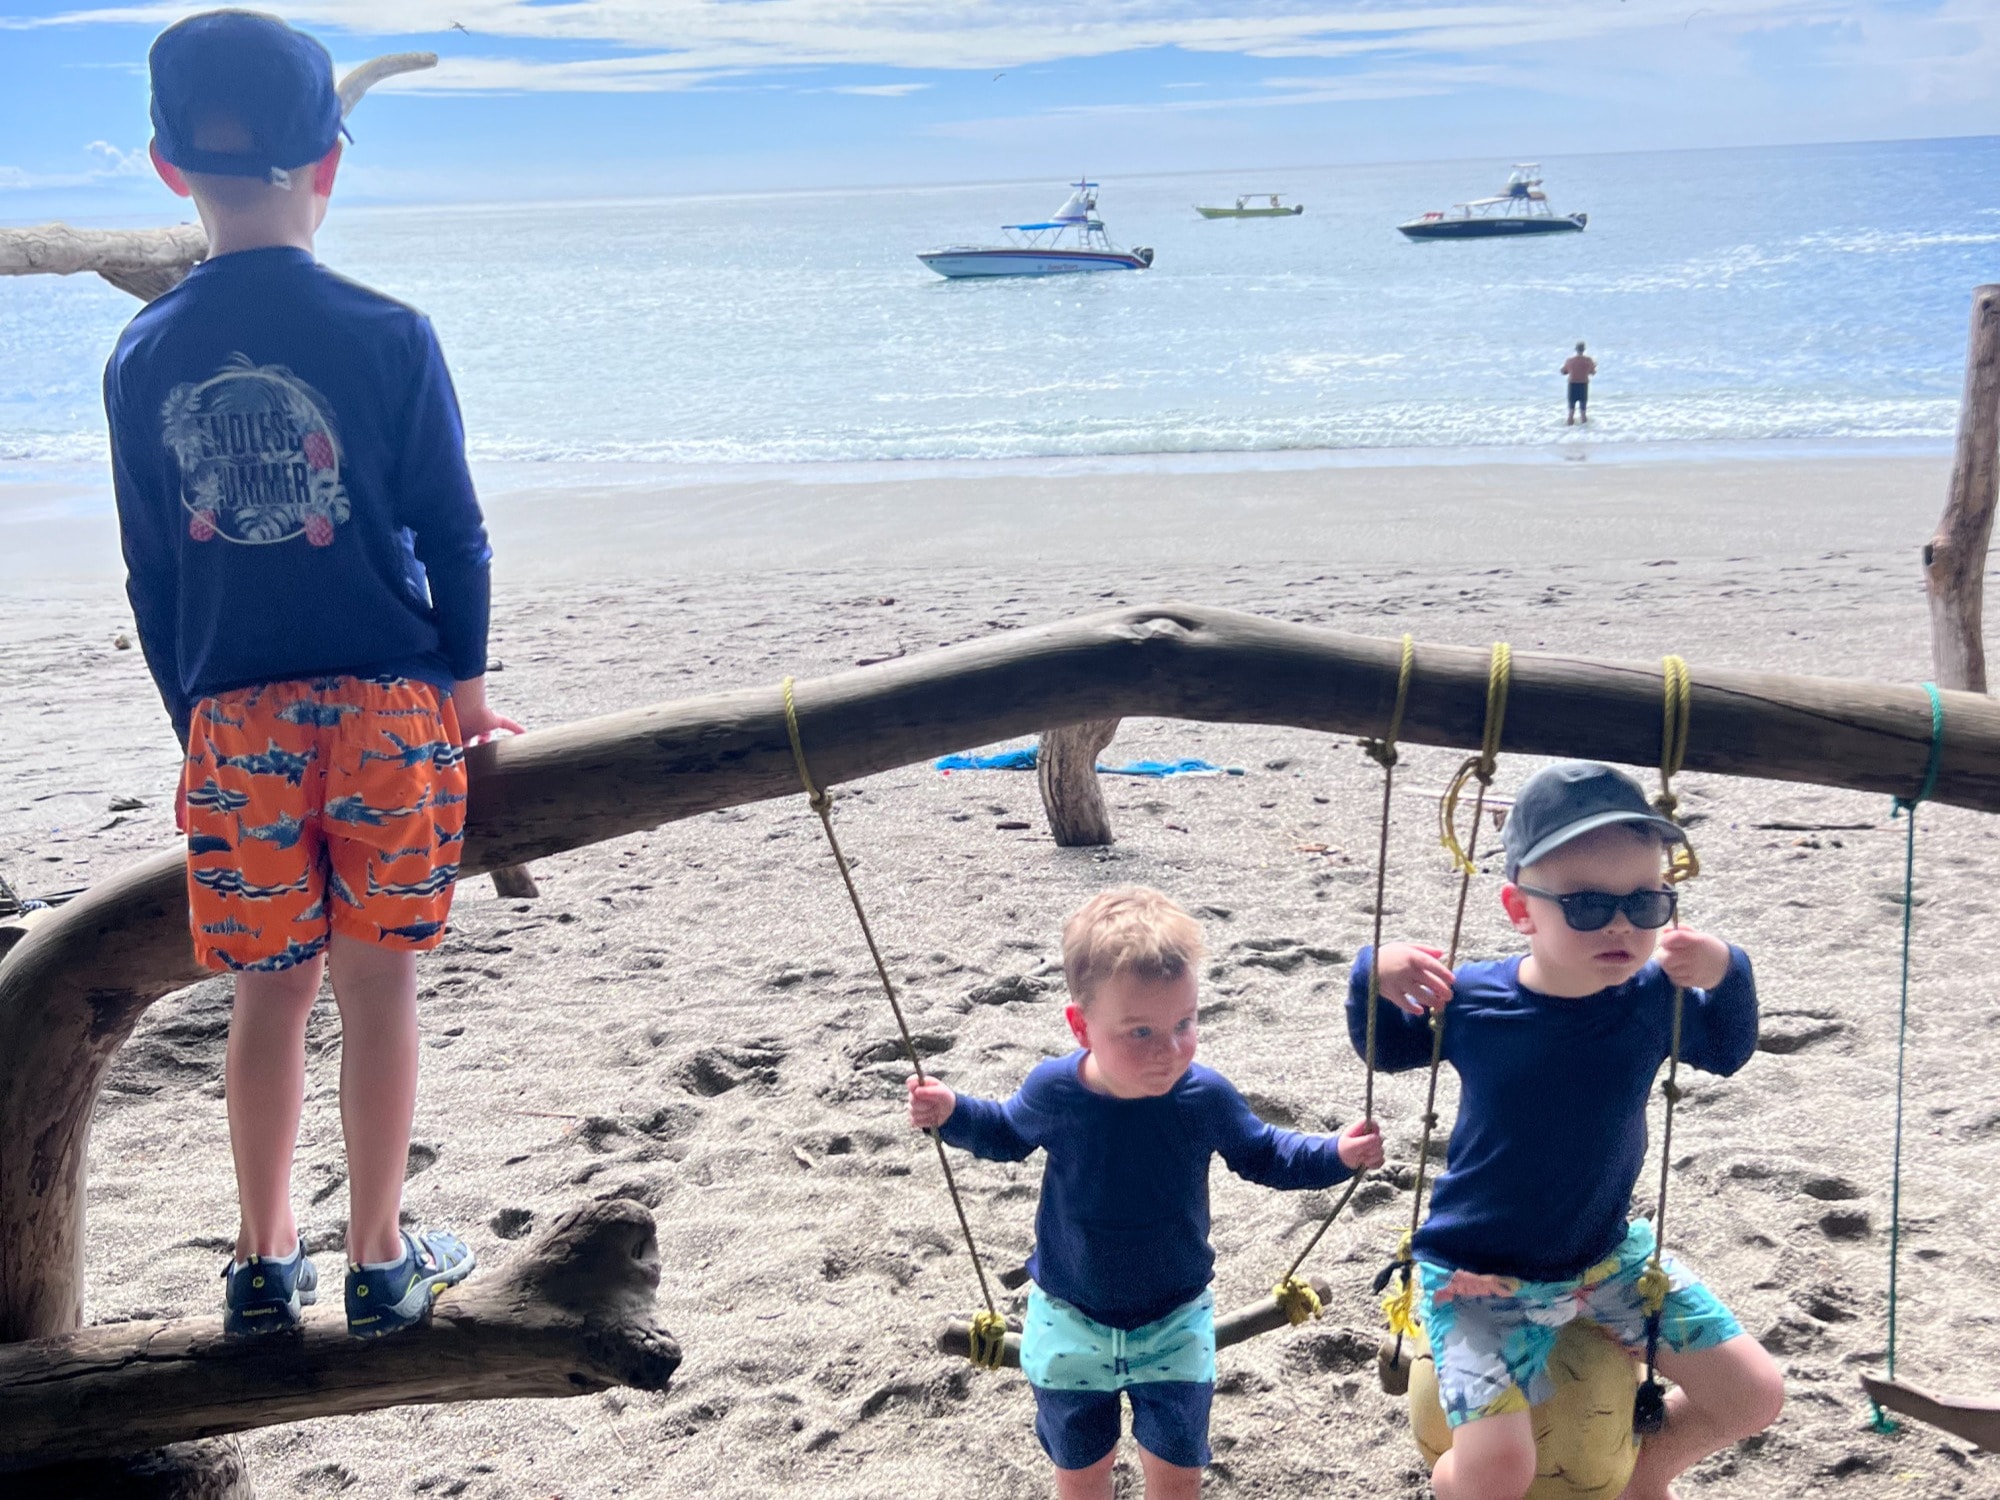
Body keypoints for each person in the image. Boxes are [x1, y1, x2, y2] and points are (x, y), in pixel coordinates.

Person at [107, 11, 521, 1339]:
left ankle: (262, 1262)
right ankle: (383, 1258)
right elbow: (453, 531)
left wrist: (197, 721)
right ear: (330, 161)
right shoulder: (391, 332)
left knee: (267, 994)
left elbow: (154, 578)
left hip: (234, 721)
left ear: (170, 170)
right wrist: (461, 691)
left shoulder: (141, 355)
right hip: (393, 714)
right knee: (378, 985)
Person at [1349, 762, 1784, 1500]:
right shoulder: (1476, 1001)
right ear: (1521, 909)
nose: (1621, 924)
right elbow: (1386, 1048)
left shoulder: (1655, 997)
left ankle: (1642, 1478)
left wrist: (1727, 970)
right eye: (1586, 905)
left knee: (1754, 1395)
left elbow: (1728, 1050)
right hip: (1475, 1276)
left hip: (1605, 1256)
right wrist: (1373, 973)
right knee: (1496, 1474)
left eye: (1646, 903)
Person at [907, 887, 1385, 1500]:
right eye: (1140, 1032)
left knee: (1178, 1475)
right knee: (1080, 1474)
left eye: (1185, 1024)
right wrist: (950, 1112)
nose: (1171, 1050)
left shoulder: (1203, 1097)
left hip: (1175, 1319)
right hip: (1070, 1315)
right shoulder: (1056, 1092)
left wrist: (1338, 1155)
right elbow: (1003, 1133)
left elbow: (1264, 1153)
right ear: (1082, 1026)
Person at [1562, 341, 1597, 424]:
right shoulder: (1588, 360)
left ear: (1576, 349)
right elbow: (1593, 373)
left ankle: (1567, 432)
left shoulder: (1570, 360)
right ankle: (1585, 433)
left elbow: (1563, 372)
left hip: (1572, 385)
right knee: (1583, 412)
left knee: (1571, 412)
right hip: (1583, 385)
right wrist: (1594, 366)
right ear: (1584, 350)